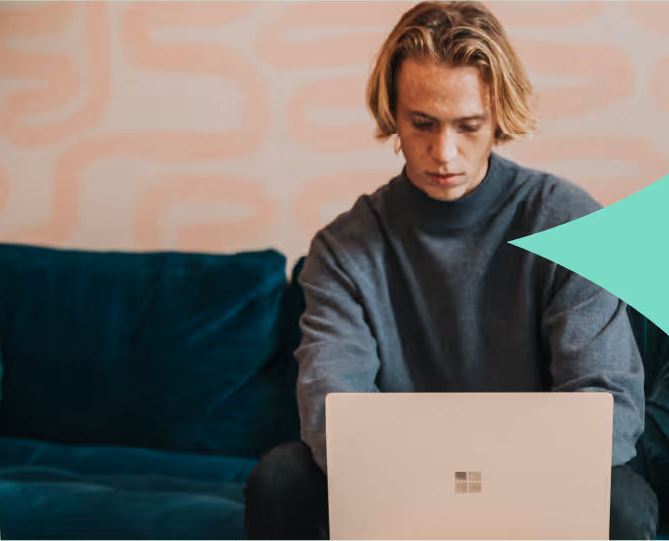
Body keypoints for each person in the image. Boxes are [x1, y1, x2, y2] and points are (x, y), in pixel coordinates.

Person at [243, 1, 660, 539]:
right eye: (423, 124)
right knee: (282, 477)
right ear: (393, 112)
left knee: (622, 502)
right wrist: (436, 484)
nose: (444, 153)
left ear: (498, 118)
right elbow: (330, 413)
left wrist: (488, 480)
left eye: (468, 126)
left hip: (540, 488)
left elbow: (611, 409)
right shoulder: (343, 249)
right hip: (390, 488)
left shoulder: (570, 222)